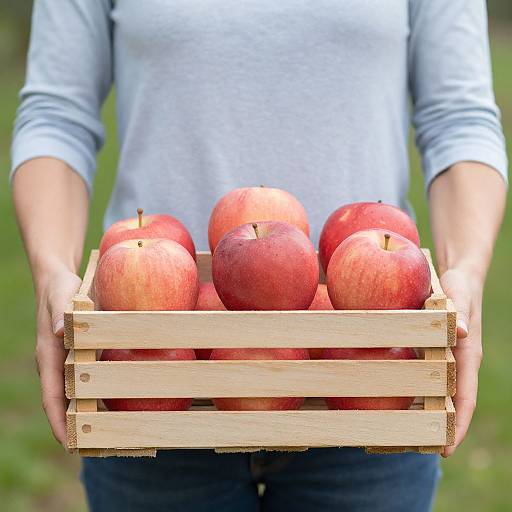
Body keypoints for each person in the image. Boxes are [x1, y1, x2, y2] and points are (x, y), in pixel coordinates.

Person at [10, 1, 507, 511]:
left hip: (370, 369)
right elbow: (57, 115)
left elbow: (458, 118)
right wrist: (53, 271)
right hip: (152, 371)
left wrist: (464, 270)